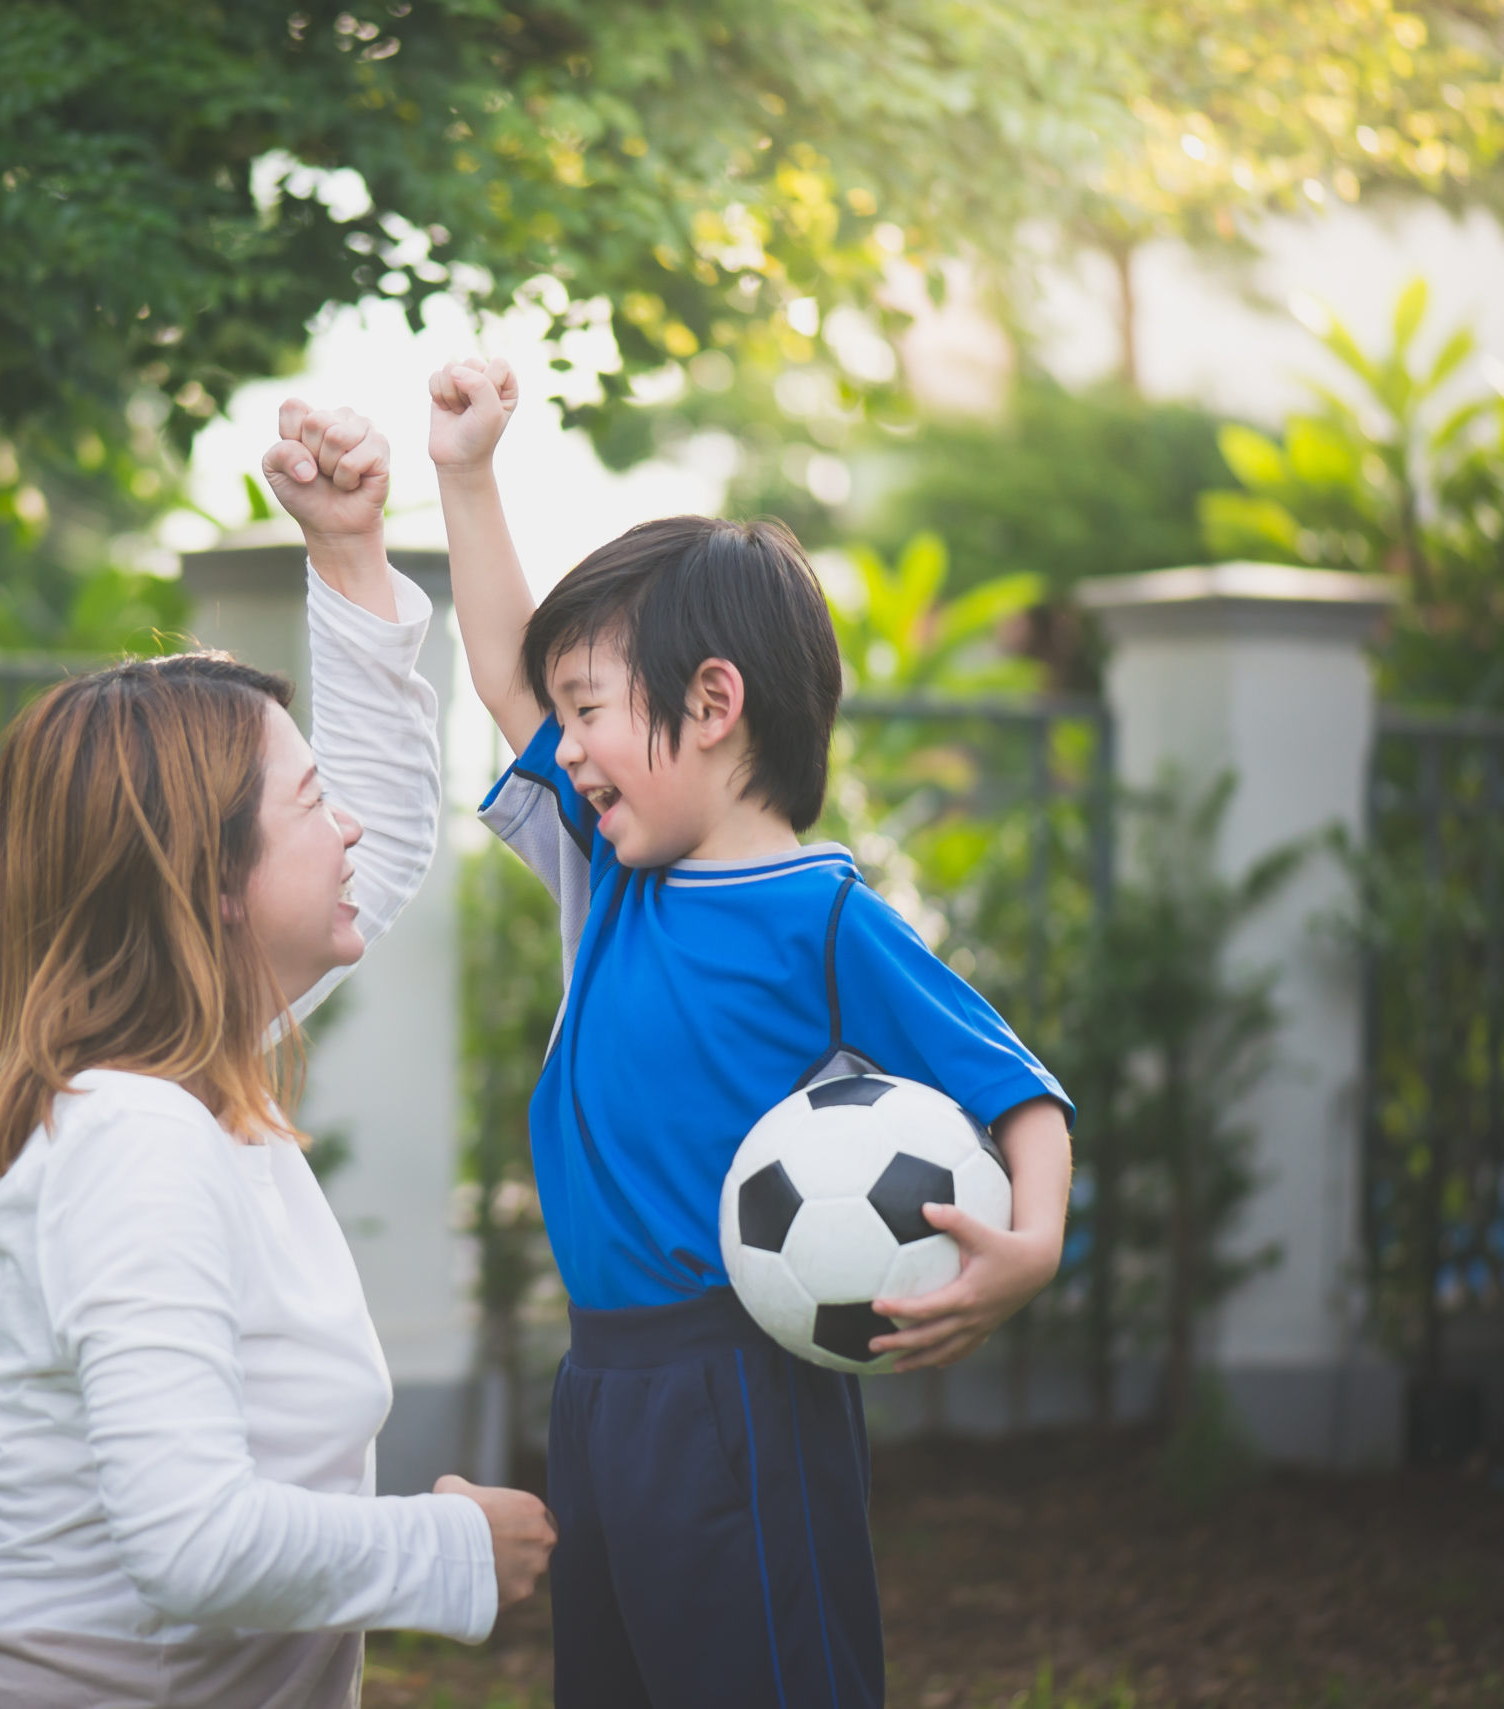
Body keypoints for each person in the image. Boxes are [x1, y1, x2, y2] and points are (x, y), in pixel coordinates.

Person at [310, 360, 1072, 1708]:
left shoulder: (823, 914)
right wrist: (467, 474)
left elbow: (1015, 1089)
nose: (567, 746)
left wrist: (1036, 1239)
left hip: (740, 1383)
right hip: (602, 1379)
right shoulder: (612, 875)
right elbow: (500, 671)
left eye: (589, 709)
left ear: (713, 704)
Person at [0, 405, 555, 1709]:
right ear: (211, 885)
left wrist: (349, 552)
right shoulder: (132, 1142)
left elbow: (379, 851)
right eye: (311, 805)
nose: (352, 834)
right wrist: (455, 1551)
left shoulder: (171, 1073)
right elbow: (190, 1541)